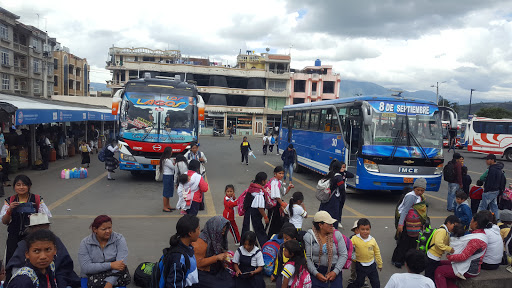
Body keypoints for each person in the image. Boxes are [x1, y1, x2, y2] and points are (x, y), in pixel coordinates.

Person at [6, 213, 80, 288]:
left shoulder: (50, 266)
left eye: (48, 250)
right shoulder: (23, 281)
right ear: (27, 254)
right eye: (36, 251)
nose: (43, 256)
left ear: (55, 250)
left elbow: (65, 266)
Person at [1, 175, 52, 267]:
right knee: (12, 261)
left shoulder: (37, 199)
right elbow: (4, 221)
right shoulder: (10, 201)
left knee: (32, 261)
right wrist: (9, 210)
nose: (21, 187)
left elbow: (45, 220)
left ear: (29, 186)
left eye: (24, 185)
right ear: (14, 187)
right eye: (18, 185)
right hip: (14, 236)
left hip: (32, 236)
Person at [434, 211, 490, 288]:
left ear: (476, 223)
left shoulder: (477, 240)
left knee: (439, 271)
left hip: (469, 269)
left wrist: (449, 256)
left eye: (472, 220)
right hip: (467, 264)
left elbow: (462, 257)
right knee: (439, 263)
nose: (470, 222)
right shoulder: (480, 234)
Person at [78, 215, 129, 288]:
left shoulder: (119, 239)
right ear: (95, 229)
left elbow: (120, 265)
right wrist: (111, 265)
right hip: (91, 276)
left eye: (109, 228)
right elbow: (86, 268)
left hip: (114, 275)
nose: (108, 231)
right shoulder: (85, 243)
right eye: (104, 229)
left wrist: (110, 283)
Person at [304, 211, 348, 288]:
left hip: (334, 270)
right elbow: (308, 258)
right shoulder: (309, 237)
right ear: (320, 225)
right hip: (316, 270)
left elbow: (343, 255)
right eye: (329, 224)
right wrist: (316, 273)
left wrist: (335, 272)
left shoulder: (337, 235)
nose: (332, 225)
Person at [392, 178, 428, 268]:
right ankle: (397, 260)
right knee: (404, 242)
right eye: (418, 190)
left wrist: (422, 223)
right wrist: (401, 224)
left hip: (415, 224)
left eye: (422, 190)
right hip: (406, 223)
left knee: (412, 243)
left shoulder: (420, 197)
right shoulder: (411, 196)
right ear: (414, 188)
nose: (420, 192)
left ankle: (406, 259)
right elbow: (404, 211)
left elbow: (422, 212)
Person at [191, 216, 234, 288]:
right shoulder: (200, 243)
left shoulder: (215, 237)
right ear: (214, 229)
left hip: (215, 268)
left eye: (224, 231)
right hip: (203, 272)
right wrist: (216, 257)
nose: (223, 234)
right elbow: (198, 263)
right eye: (221, 231)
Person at [164, 214, 200, 287]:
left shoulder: (187, 247)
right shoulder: (179, 258)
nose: (199, 232)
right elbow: (173, 284)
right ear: (190, 233)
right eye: (198, 229)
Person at [318, 160, 354, 229]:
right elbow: (342, 188)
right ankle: (333, 229)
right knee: (334, 214)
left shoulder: (329, 174)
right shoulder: (338, 177)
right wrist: (343, 197)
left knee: (323, 211)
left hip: (326, 196)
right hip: (334, 198)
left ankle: (320, 225)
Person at [424, 215, 459, 281]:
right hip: (432, 256)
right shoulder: (442, 231)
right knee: (430, 276)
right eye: (454, 225)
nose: (454, 228)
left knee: (431, 275)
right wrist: (449, 249)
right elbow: (438, 243)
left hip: (435, 256)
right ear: (448, 223)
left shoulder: (445, 231)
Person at [350, 218, 382, 288]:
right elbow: (348, 248)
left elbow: (377, 252)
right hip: (360, 265)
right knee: (359, 283)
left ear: (370, 229)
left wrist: (380, 264)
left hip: (372, 266)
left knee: (376, 283)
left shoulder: (372, 240)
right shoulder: (354, 239)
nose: (365, 231)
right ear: (358, 230)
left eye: (367, 229)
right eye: (362, 229)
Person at [241, 172, 270, 247]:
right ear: (263, 181)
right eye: (266, 180)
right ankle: (263, 247)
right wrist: (265, 217)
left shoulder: (252, 187)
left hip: (249, 213)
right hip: (254, 215)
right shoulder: (259, 192)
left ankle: (245, 245)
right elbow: (260, 207)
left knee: (247, 229)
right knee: (258, 230)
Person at [267, 166, 294, 236]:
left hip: (278, 204)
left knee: (277, 222)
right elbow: (276, 196)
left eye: (282, 173)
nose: (281, 175)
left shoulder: (278, 182)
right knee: (273, 222)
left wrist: (289, 188)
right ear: (275, 173)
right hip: (275, 206)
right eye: (280, 173)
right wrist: (282, 204)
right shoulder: (275, 182)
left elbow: (283, 192)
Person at [478, 154, 505, 219]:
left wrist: (486, 190)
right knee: (494, 206)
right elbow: (502, 181)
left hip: (489, 191)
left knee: (482, 207)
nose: (486, 161)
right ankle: (496, 219)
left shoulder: (492, 169)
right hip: (496, 191)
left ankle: (480, 220)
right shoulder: (499, 169)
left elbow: (490, 181)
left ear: (492, 160)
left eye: (487, 160)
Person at [160, 147, 176, 212]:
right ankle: (165, 207)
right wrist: (175, 164)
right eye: (171, 151)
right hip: (168, 176)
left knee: (169, 191)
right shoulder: (167, 160)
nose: (172, 152)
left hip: (168, 176)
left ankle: (168, 205)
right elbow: (173, 167)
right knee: (166, 192)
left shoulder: (165, 160)